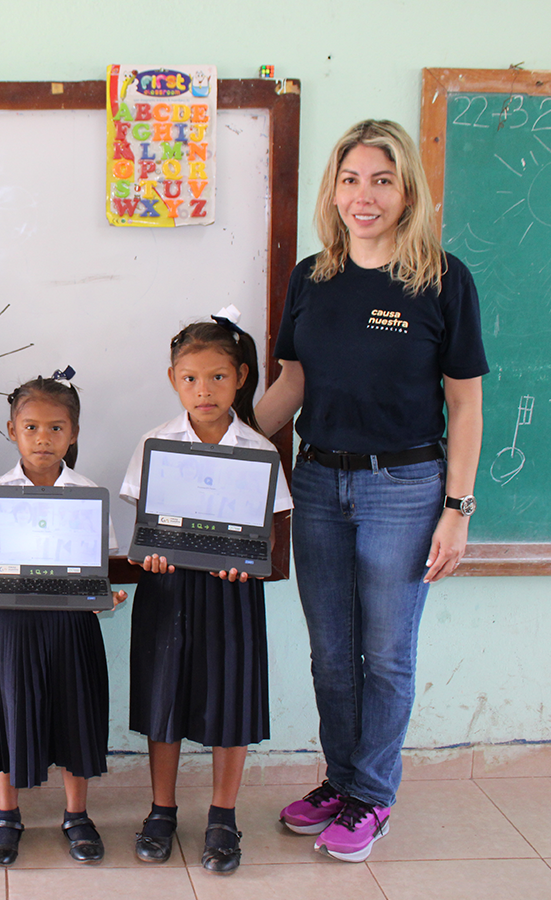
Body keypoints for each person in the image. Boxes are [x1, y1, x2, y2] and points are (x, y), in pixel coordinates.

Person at [257, 120, 487, 862]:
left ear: (406, 191)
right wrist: (218, 442)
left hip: (406, 487)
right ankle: (342, 780)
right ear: (333, 191)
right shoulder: (311, 277)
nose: (365, 196)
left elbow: (466, 404)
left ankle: (373, 796)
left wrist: (456, 510)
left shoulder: (442, 279)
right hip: (319, 482)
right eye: (351, 179)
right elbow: (292, 383)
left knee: (385, 655)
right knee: (331, 654)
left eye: (382, 181)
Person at [121, 313, 292, 873]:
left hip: (230, 593)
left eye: (218, 377)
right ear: (173, 380)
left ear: (240, 377)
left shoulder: (258, 449)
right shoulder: (155, 442)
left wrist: (250, 564)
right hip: (167, 587)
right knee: (163, 696)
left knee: (230, 698)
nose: (204, 390)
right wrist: (145, 554)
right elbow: (145, 527)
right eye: (191, 378)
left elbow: (268, 533)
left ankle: (223, 816)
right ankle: (161, 810)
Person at [0, 373, 127, 866]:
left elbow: (100, 565)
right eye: (31, 427)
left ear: (73, 434)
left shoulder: (88, 493)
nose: (43, 439)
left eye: (56, 428)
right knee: (8, 713)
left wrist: (104, 597)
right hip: (12, 625)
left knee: (76, 713)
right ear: (12, 431)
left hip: (73, 626)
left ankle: (77, 815)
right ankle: (7, 816)